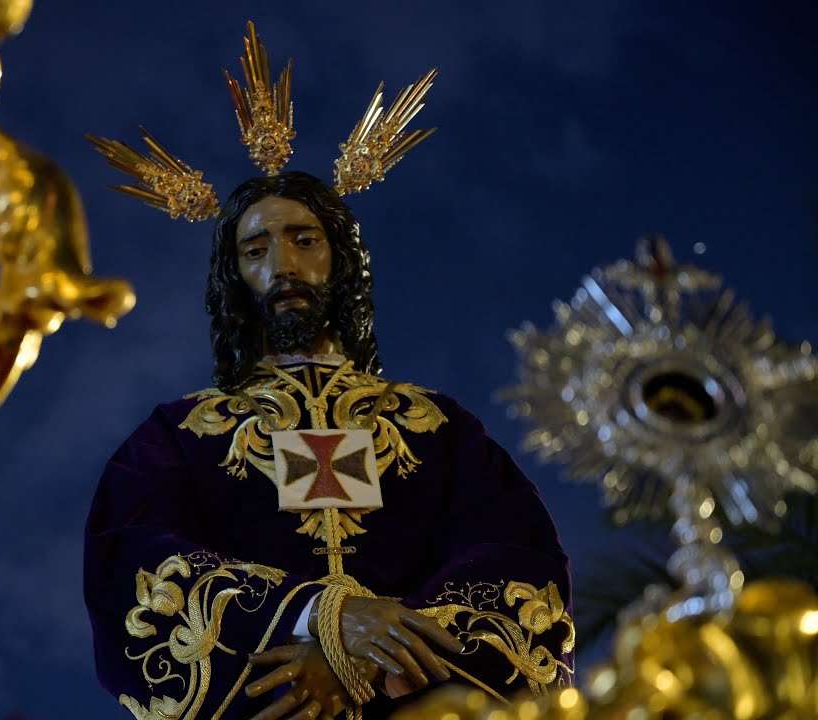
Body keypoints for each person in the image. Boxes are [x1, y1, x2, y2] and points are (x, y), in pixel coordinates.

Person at [85, 24, 572, 719]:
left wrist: (367, 656)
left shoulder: (435, 427)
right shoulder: (181, 434)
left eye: (304, 240)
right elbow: (130, 562)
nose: (283, 265)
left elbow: (518, 559)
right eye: (256, 249)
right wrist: (316, 614)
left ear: (341, 260)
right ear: (233, 277)